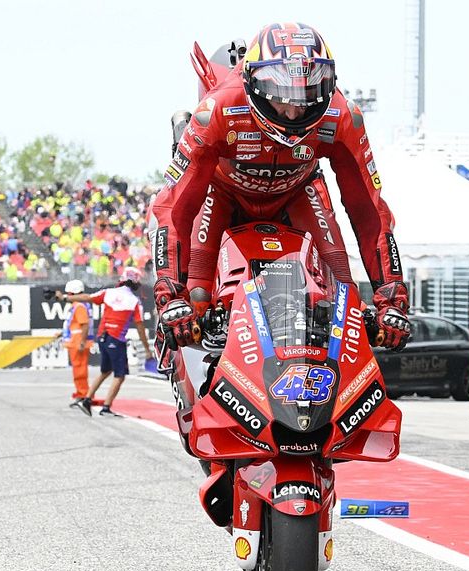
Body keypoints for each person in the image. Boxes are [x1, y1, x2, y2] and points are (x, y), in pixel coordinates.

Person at [150, 23, 411, 351]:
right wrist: (171, 297)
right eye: (282, 98)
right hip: (221, 192)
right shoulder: (215, 111)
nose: (294, 110)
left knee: (347, 299)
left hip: (299, 190)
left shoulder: (344, 116)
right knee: (196, 298)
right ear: (254, 86)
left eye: (307, 98)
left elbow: (370, 211)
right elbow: (173, 207)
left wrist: (392, 300)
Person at [60, 267, 154, 417]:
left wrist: (65, 298)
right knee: (120, 375)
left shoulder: (109, 293)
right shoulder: (134, 302)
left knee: (105, 371)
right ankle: (106, 407)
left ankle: (86, 399)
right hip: (116, 339)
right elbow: (140, 327)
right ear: (136, 283)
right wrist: (147, 350)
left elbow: (87, 297)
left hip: (102, 337)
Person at [61, 279, 92, 408]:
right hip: (76, 341)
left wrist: (82, 342)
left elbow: (84, 324)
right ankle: (81, 393)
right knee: (78, 370)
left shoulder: (79, 306)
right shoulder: (78, 306)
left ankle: (83, 395)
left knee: (80, 371)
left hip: (78, 342)